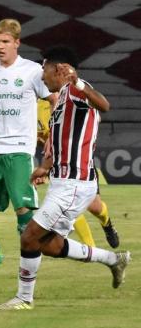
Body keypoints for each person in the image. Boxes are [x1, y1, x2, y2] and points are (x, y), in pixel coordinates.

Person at [0, 46, 130, 310]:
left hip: (75, 183)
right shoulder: (62, 99)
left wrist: (77, 81)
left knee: (29, 236)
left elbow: (104, 104)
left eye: (45, 69)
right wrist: (45, 166)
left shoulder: (78, 91)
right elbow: (61, 141)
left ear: (60, 69)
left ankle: (24, 299)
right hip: (62, 180)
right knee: (49, 245)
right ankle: (114, 260)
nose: (42, 76)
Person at [0, 19, 56, 278]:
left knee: (23, 212)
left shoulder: (32, 71)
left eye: (5, 41)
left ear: (17, 43)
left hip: (19, 150)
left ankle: (27, 270)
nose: (0, 46)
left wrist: (52, 135)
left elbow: (54, 100)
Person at [37, 99, 120, 248]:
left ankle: (106, 223)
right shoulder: (30, 105)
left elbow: (95, 116)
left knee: (95, 207)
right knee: (69, 204)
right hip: (57, 163)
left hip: (78, 158)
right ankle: (91, 248)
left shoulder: (65, 97)